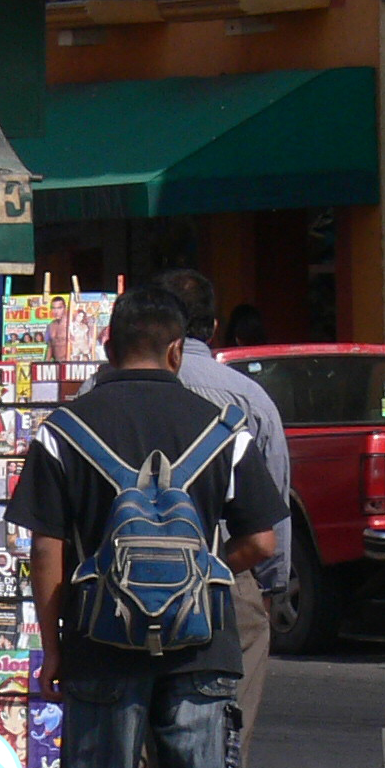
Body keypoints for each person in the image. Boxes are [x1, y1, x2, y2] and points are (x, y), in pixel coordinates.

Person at [6, 286, 284, 768]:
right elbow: (260, 538)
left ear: (107, 349)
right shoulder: (226, 426)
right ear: (174, 350)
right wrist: (209, 572)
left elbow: (47, 550)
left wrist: (55, 642)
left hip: (102, 640)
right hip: (203, 643)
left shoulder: (63, 430)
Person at [154, 269, 292, 741]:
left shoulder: (103, 393)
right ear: (212, 329)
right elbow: (272, 513)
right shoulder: (250, 398)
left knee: (130, 749)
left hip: (125, 585)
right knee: (225, 746)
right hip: (228, 575)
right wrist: (268, 588)